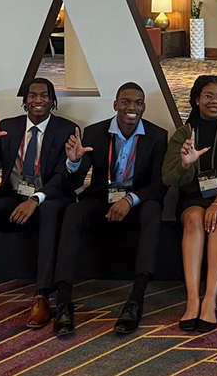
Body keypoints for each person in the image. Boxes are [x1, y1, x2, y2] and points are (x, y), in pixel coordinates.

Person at [0, 77, 78, 330]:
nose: (38, 100)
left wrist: (35, 199)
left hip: (49, 198)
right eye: (32, 96)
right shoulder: (9, 127)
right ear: (25, 101)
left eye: (44, 96)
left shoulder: (66, 129)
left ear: (52, 101)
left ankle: (42, 297)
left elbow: (63, 179)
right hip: (12, 196)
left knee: (51, 211)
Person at [51, 83, 169, 336]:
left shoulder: (157, 136)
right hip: (101, 199)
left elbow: (159, 186)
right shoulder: (94, 133)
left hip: (136, 203)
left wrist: (129, 200)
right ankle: (63, 301)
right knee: (73, 212)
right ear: (115, 104)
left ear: (143, 107)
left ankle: (136, 299)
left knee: (153, 210)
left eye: (138, 103)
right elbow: (73, 183)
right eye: (126, 102)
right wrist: (73, 162)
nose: (132, 108)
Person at [163, 75, 217, 332]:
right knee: (193, 218)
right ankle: (192, 300)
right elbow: (168, 178)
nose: (214, 101)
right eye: (208, 96)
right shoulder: (184, 133)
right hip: (193, 197)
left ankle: (210, 300)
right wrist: (185, 165)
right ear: (196, 99)